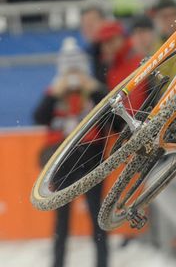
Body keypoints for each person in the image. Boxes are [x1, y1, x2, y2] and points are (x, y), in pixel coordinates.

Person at [34, 38, 108, 267]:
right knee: (61, 220)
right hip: (61, 160)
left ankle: (102, 262)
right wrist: (54, 93)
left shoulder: (95, 89)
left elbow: (114, 124)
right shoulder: (54, 91)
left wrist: (96, 92)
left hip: (90, 157)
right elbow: (39, 117)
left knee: (98, 217)